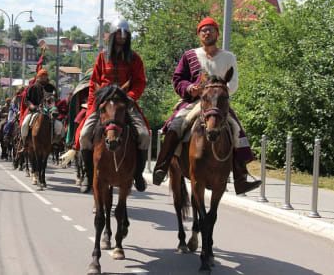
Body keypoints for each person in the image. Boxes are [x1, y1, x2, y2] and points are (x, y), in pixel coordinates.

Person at [153, 17, 261, 195]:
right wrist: (190, 89)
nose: (207, 33)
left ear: (217, 33)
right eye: (203, 30)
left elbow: (233, 82)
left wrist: (221, 91)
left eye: (211, 29)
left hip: (219, 104)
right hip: (195, 102)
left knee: (237, 131)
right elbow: (178, 79)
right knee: (176, 126)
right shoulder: (189, 56)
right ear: (199, 35)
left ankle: (241, 178)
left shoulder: (228, 57)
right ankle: (162, 166)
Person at [74, 17, 150, 193]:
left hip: (125, 103)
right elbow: (94, 82)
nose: (122, 37)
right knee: (85, 134)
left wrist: (130, 97)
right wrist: (94, 105)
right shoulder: (102, 58)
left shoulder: (134, 58)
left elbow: (139, 82)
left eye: (125, 35)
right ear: (113, 36)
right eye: (119, 34)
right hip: (103, 103)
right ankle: (88, 173)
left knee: (144, 135)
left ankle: (137, 175)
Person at [20, 69, 56, 146]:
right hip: (34, 111)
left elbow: (55, 99)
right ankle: (24, 142)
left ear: (47, 77)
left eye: (45, 76)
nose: (43, 78)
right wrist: (32, 106)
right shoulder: (32, 87)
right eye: (41, 76)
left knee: (59, 127)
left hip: (49, 112)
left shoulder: (51, 88)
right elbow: (26, 99)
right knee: (24, 124)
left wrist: (52, 107)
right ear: (38, 77)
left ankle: (56, 143)